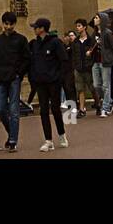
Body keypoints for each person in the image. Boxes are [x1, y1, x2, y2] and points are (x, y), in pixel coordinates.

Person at [27, 17, 69, 151]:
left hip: (53, 82)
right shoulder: (34, 44)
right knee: (43, 111)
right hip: (40, 82)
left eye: (36, 27)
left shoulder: (55, 42)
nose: (34, 29)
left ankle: (61, 134)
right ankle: (48, 140)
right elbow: (31, 62)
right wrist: (33, 78)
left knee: (55, 109)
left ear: (42, 29)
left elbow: (64, 60)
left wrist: (59, 78)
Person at [0, 11, 30, 151]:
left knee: (14, 110)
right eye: (6, 24)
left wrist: (19, 73)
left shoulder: (21, 39)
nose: (8, 27)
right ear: (3, 24)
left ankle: (13, 140)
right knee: (0, 109)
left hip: (14, 78)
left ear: (14, 24)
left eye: (11, 24)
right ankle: (11, 132)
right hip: (0, 79)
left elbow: (27, 58)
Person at [89, 12, 113, 117]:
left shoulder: (107, 33)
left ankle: (105, 108)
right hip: (95, 61)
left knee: (106, 86)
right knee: (96, 85)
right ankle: (110, 100)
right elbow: (92, 46)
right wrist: (90, 51)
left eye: (96, 18)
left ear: (101, 20)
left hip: (105, 62)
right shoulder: (94, 34)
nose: (94, 20)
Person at [71, 20, 94, 116]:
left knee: (92, 88)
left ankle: (98, 104)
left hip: (88, 68)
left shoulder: (90, 40)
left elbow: (94, 53)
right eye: (77, 26)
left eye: (79, 26)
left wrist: (90, 61)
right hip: (78, 68)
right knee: (80, 89)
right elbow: (73, 55)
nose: (77, 28)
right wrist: (75, 66)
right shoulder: (75, 42)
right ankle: (81, 109)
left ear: (84, 27)